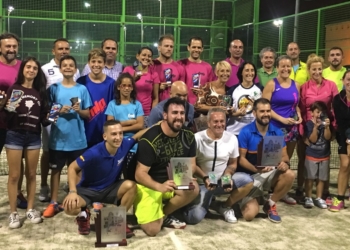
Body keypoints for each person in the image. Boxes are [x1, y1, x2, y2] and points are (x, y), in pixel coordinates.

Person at [63, 119, 147, 237]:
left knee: (131, 186)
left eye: (120, 133)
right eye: (113, 134)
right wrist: (72, 191)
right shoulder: (93, 153)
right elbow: (72, 167)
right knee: (69, 207)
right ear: (105, 136)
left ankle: (116, 221)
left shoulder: (125, 144)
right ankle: (83, 214)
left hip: (110, 188)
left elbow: (137, 135)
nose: (118, 137)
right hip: (88, 190)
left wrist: (160, 125)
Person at [134, 97, 199, 236]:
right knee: (153, 231)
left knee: (194, 188)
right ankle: (143, 208)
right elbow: (139, 174)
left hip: (173, 181)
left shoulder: (188, 135)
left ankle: (164, 214)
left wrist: (184, 177)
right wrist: (160, 187)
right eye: (174, 113)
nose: (179, 117)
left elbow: (192, 164)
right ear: (165, 115)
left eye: (182, 113)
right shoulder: (150, 139)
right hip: (150, 185)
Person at [0, 57, 49, 228]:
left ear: (37, 72)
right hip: (15, 135)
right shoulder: (15, 88)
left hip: (33, 136)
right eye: (28, 67)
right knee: (14, 176)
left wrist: (52, 117)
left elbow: (43, 118)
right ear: (23, 70)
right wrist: (4, 106)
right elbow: (6, 114)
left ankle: (30, 208)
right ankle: (13, 213)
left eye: (35, 68)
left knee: (31, 174)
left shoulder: (40, 91)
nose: (31, 70)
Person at [183, 108, 253, 224]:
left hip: (221, 181)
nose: (219, 124)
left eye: (222, 121)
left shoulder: (232, 138)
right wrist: (205, 178)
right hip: (202, 183)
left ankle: (224, 206)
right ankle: (195, 203)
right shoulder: (196, 138)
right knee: (194, 217)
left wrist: (227, 177)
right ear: (208, 123)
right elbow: (192, 165)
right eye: (215, 121)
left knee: (247, 180)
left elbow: (232, 163)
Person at [42, 55, 92, 218]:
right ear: (61, 69)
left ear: (76, 69)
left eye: (71, 65)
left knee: (77, 172)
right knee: (55, 172)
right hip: (58, 140)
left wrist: (78, 110)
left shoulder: (82, 89)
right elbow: (48, 116)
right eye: (65, 65)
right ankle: (54, 203)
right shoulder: (54, 89)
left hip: (78, 140)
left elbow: (87, 114)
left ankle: (76, 200)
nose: (68, 67)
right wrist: (58, 111)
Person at [237, 98, 295, 223]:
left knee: (289, 174)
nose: (266, 114)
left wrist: (285, 164)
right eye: (262, 111)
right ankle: (248, 197)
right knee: (249, 215)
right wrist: (256, 169)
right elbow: (241, 160)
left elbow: (285, 157)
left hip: (269, 174)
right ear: (254, 113)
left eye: (268, 111)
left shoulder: (277, 132)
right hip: (250, 177)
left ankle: (270, 204)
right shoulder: (245, 132)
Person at [40, 38, 81, 202]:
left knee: (71, 156)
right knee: (47, 152)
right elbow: (44, 97)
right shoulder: (45, 69)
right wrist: (55, 112)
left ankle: (72, 187)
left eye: (66, 48)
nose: (64, 51)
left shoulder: (75, 71)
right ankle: (44, 185)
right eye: (60, 48)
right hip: (51, 119)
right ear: (53, 51)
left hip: (70, 123)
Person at [297, 55, 338, 202]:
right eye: (314, 69)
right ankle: (301, 189)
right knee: (304, 159)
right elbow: (300, 110)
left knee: (324, 158)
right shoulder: (304, 87)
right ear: (309, 70)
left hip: (324, 127)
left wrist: (333, 128)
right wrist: (303, 134)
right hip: (308, 127)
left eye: (319, 69)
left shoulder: (331, 85)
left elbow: (335, 108)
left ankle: (324, 192)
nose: (317, 72)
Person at [262, 55, 302, 205]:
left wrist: (298, 114)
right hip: (274, 128)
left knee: (286, 161)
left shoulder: (296, 85)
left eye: (288, 66)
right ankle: (266, 192)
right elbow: (265, 108)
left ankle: (281, 191)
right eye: (282, 66)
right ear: (277, 68)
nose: (286, 69)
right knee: (271, 162)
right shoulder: (271, 84)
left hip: (292, 129)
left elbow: (296, 104)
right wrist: (281, 119)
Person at [0, 32, 27, 209]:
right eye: (7, 46)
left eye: (14, 46)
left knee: (19, 162)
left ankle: (17, 193)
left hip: (17, 124)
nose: (11, 49)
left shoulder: (23, 67)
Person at [76, 48, 115, 148]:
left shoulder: (111, 83)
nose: (96, 65)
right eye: (93, 61)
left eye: (99, 62)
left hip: (103, 133)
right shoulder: (81, 81)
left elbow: (113, 109)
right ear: (88, 63)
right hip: (84, 132)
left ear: (104, 63)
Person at [105, 73, 144, 167]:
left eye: (129, 86)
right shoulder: (112, 104)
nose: (126, 88)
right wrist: (129, 122)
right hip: (116, 145)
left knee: (130, 174)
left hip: (133, 147)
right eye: (124, 85)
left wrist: (120, 128)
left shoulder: (137, 105)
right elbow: (110, 125)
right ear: (119, 87)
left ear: (132, 88)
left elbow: (140, 125)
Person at [303, 101, 332, 209]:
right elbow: (313, 139)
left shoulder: (326, 124)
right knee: (309, 178)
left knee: (321, 178)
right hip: (311, 155)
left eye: (322, 112)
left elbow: (328, 137)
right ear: (312, 113)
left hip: (324, 155)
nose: (319, 115)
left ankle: (319, 198)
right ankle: (308, 197)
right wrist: (315, 127)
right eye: (317, 112)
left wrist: (327, 127)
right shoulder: (309, 124)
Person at [330, 69, 350, 212]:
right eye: (348, 79)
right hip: (344, 136)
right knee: (345, 165)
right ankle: (340, 198)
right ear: (343, 81)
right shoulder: (338, 99)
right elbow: (341, 123)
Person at [123, 47, 160, 125]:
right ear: (137, 56)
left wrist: (152, 115)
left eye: (149, 56)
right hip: (129, 112)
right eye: (144, 55)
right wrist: (133, 80)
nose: (146, 58)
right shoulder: (128, 70)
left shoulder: (154, 74)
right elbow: (122, 90)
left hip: (146, 114)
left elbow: (155, 98)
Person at [226, 62, 263, 136]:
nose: (250, 73)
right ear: (241, 73)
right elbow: (225, 111)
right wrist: (236, 114)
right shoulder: (232, 90)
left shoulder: (260, 89)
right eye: (247, 70)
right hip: (234, 132)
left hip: (253, 132)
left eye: (252, 70)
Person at [177, 37, 214, 104]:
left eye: (199, 47)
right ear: (188, 48)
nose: (196, 50)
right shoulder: (180, 64)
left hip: (203, 105)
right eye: (194, 47)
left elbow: (210, 88)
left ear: (202, 49)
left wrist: (202, 92)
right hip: (184, 105)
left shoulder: (208, 67)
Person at [152, 34, 185, 102]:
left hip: (173, 106)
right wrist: (157, 88)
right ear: (159, 48)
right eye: (166, 46)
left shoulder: (179, 68)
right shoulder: (152, 65)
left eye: (171, 47)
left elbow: (182, 91)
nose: (169, 49)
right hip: (155, 106)